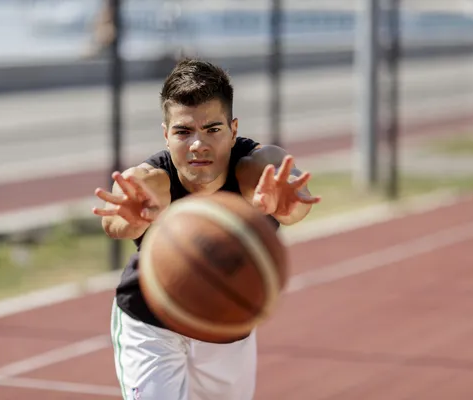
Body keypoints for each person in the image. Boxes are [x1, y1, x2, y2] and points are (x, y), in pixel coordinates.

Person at [92, 58, 320, 400]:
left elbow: (290, 191)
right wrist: (130, 220)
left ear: (233, 130)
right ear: (166, 136)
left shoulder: (257, 170)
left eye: (212, 129)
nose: (198, 144)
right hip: (152, 316)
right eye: (184, 132)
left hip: (225, 318)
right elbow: (116, 219)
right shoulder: (152, 181)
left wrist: (289, 204)